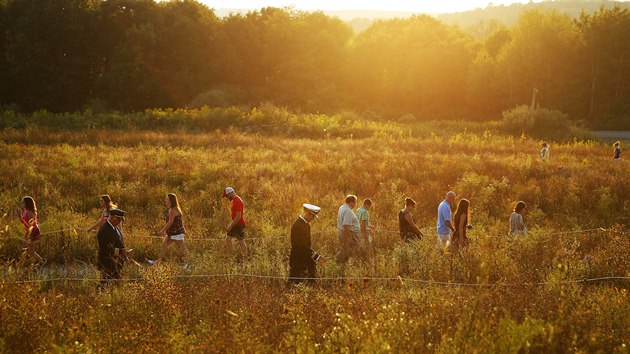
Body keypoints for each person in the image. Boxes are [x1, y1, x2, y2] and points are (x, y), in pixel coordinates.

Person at [148, 193, 190, 267]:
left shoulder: (172, 210)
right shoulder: (175, 208)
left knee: (182, 248)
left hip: (176, 233)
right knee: (164, 245)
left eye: (167, 199)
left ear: (171, 200)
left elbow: (170, 222)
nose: (165, 200)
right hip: (173, 232)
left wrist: (162, 231)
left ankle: (189, 263)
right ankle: (158, 262)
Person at [288, 204, 325, 286]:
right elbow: (301, 246)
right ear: (308, 214)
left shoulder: (305, 224)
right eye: (312, 217)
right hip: (298, 259)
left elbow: (306, 246)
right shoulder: (298, 225)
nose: (313, 219)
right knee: (294, 284)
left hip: (305, 258)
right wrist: (317, 257)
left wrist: (314, 257)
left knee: (311, 282)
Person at [97, 208, 127, 287]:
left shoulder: (115, 227)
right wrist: (119, 253)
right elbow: (106, 249)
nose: (119, 221)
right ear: (112, 217)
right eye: (118, 219)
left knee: (114, 283)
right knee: (106, 282)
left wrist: (124, 251)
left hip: (117, 261)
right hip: (108, 262)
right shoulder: (104, 230)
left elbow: (119, 242)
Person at [16, 196, 45, 265]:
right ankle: (38, 262)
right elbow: (23, 222)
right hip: (29, 231)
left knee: (28, 250)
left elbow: (30, 225)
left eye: (23, 202)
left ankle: (39, 262)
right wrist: (19, 215)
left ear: (27, 203)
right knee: (26, 249)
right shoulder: (26, 211)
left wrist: (29, 235)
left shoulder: (30, 212)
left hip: (33, 231)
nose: (21, 203)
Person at [222, 187, 248, 260]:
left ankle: (245, 258)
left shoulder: (238, 201)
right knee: (228, 239)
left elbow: (238, 216)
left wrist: (230, 226)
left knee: (241, 241)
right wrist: (230, 224)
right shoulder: (234, 200)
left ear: (230, 193)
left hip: (239, 224)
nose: (227, 197)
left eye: (227, 196)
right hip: (235, 223)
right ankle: (230, 257)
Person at [335, 195, 360, 264]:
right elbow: (346, 225)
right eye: (355, 202)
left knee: (345, 248)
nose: (356, 204)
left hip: (342, 232)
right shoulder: (348, 211)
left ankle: (341, 262)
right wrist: (350, 238)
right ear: (351, 202)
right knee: (349, 249)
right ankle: (339, 261)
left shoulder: (342, 207)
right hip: (346, 233)